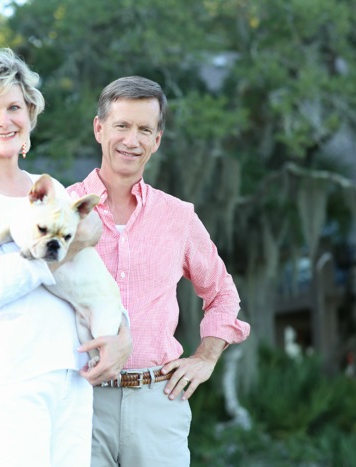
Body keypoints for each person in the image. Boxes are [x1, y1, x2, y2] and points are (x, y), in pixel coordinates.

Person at [0, 48, 131, 467]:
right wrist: (66, 246)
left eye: (15, 107)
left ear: (30, 114)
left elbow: (96, 280)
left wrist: (122, 334)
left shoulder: (50, 189)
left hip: (71, 377)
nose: (4, 120)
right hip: (4, 380)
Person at [68, 76, 251, 466]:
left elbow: (222, 293)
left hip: (158, 401)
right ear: (99, 129)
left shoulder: (178, 217)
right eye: (121, 126)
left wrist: (206, 357)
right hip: (77, 400)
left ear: (157, 140)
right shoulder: (62, 210)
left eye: (144, 130)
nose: (131, 140)